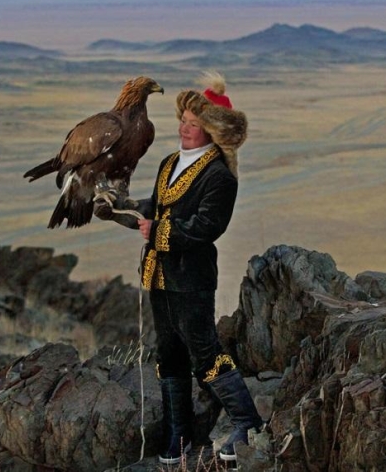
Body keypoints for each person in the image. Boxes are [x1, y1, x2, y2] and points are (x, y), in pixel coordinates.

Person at [94, 71, 262, 465]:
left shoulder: (220, 175)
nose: (184, 129)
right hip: (159, 274)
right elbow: (156, 209)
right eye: (183, 121)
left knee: (204, 351)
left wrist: (158, 231)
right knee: (169, 353)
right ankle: (179, 435)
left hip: (192, 277)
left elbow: (207, 227)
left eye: (194, 124)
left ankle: (248, 422)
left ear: (212, 130)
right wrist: (119, 209)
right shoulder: (170, 162)